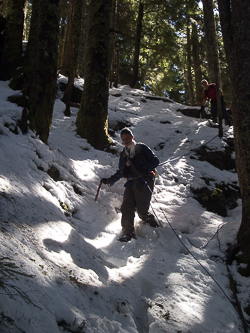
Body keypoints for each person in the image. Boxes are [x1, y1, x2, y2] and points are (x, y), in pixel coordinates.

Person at [101, 127, 160, 242]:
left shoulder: (141, 148)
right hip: (131, 183)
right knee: (126, 207)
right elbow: (121, 172)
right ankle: (128, 233)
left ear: (132, 137)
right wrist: (110, 181)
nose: (125, 140)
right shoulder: (123, 154)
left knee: (142, 211)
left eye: (127, 137)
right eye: (123, 138)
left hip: (144, 181)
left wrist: (144, 168)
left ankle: (152, 222)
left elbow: (155, 161)